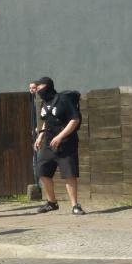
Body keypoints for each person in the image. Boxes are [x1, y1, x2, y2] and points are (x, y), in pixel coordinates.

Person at [32, 77, 86, 215]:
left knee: (69, 174)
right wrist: (40, 136)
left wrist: (60, 136)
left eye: (40, 86)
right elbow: (47, 120)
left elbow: (75, 119)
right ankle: (52, 203)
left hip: (66, 144)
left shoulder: (63, 99)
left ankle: (75, 206)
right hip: (49, 144)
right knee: (42, 171)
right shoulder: (44, 103)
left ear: (48, 86)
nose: (38, 89)